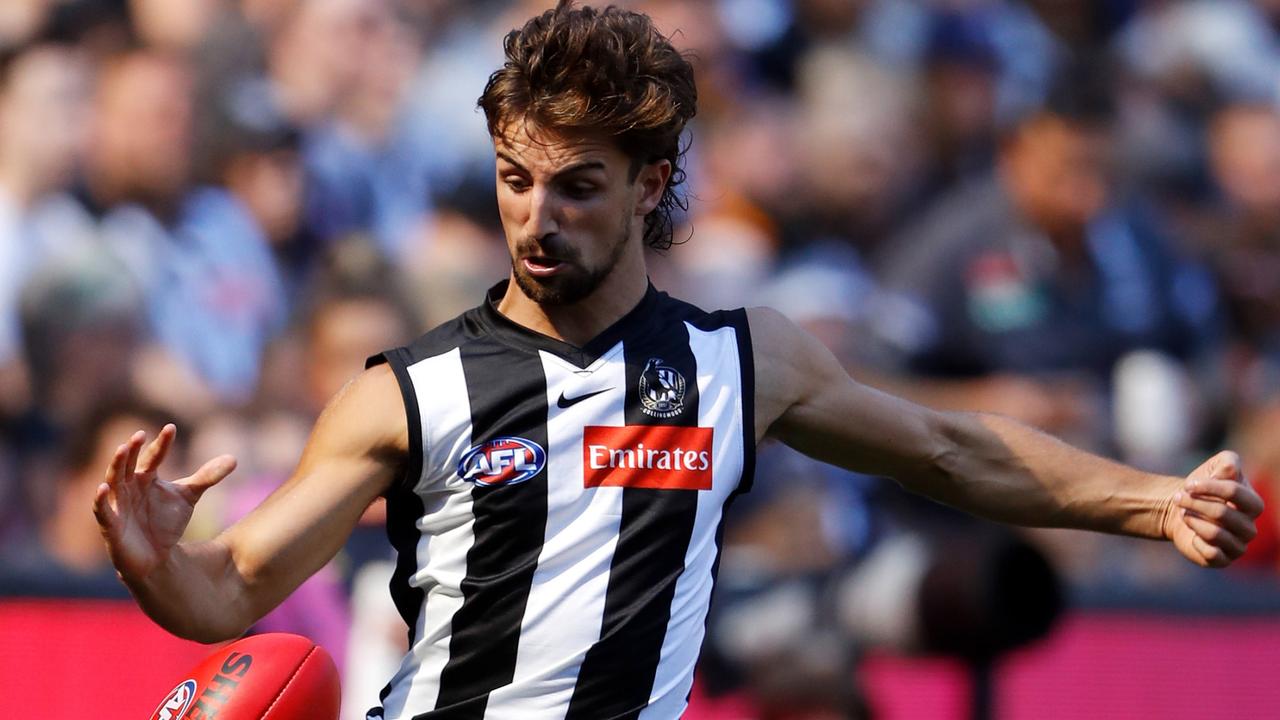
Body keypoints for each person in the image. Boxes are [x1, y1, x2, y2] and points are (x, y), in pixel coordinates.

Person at [94, 3, 1263, 719]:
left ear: (651, 186)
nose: (535, 218)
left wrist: (1154, 499)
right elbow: (234, 585)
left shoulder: (745, 362)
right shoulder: (407, 391)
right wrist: (154, 561)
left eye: (575, 185)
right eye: (514, 179)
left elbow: (951, 453)